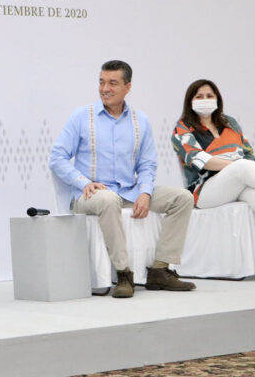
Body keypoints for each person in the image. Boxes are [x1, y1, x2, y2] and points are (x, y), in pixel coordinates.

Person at [49, 60, 196, 298]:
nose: (105, 88)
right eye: (101, 82)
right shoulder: (81, 117)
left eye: (112, 83)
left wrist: (145, 193)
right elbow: (57, 158)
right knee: (108, 199)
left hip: (128, 190)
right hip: (90, 195)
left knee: (183, 198)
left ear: (128, 87)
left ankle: (160, 269)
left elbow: (147, 164)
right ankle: (123, 273)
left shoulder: (141, 121)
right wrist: (83, 182)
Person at [172, 79, 255, 281]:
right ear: (190, 101)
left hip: (236, 183)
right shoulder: (182, 129)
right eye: (199, 96)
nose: (205, 100)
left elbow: (248, 154)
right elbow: (201, 160)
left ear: (218, 100)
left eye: (210, 96)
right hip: (203, 192)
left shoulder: (230, 123)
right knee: (244, 167)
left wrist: (241, 167)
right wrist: (236, 166)